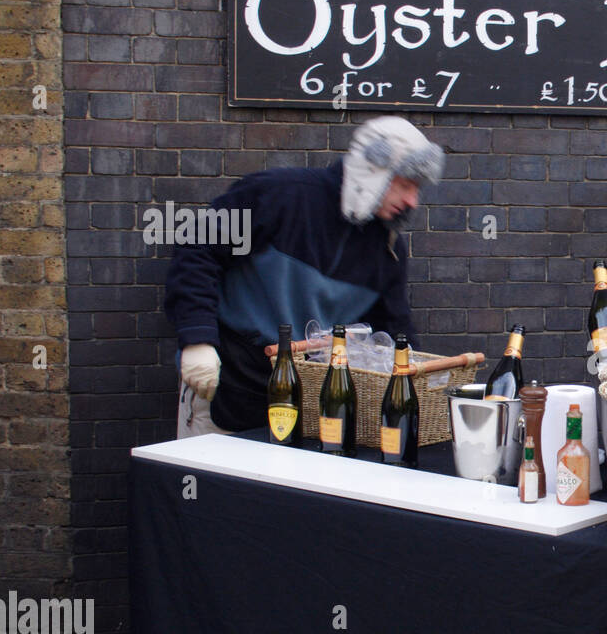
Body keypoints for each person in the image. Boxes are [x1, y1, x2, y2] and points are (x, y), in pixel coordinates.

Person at [165, 116, 445, 436]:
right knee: (213, 485)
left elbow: (394, 329)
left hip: (311, 408)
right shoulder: (278, 195)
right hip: (226, 389)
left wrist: (416, 385)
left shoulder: (387, 250)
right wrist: (196, 338)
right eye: (406, 184)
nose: (412, 201)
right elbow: (198, 246)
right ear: (373, 170)